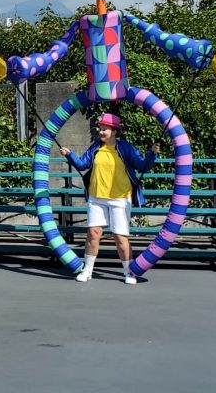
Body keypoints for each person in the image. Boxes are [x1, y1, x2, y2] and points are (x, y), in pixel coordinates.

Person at [60, 113, 159, 285]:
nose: (101, 131)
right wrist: (70, 155)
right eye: (100, 128)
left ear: (114, 131)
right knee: (93, 234)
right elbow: (83, 164)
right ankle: (87, 270)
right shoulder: (95, 147)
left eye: (105, 128)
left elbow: (143, 165)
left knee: (120, 238)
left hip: (120, 199)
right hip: (96, 197)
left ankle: (129, 272)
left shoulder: (126, 148)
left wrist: (152, 154)